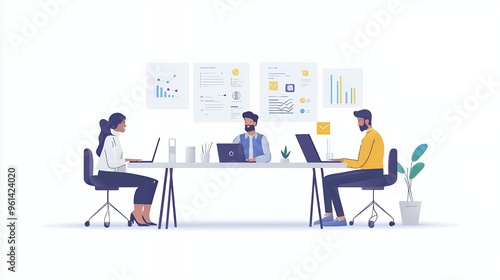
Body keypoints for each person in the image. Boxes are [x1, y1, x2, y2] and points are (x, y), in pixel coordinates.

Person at [316, 109, 384, 226]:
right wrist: (342, 160)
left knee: (328, 180)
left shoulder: (370, 136)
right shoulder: (372, 135)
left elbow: (360, 163)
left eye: (360, 121)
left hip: (370, 173)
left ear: (367, 121)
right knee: (328, 180)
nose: (358, 124)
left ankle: (338, 218)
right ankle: (330, 215)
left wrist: (342, 160)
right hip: (371, 171)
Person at [95, 112, 158, 227]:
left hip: (113, 174)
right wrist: (128, 160)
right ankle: (137, 213)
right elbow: (113, 163)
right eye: (123, 122)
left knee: (153, 182)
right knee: (146, 182)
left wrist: (128, 161)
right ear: (116, 124)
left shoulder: (115, 138)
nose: (125, 125)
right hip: (107, 176)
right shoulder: (110, 139)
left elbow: (116, 162)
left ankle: (146, 216)